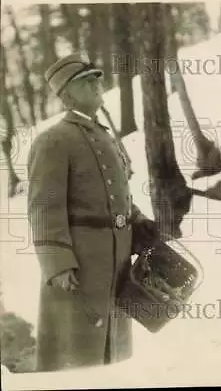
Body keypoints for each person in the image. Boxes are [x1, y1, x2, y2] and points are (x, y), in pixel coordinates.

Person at [27, 53, 158, 372]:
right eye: (85, 81)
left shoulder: (104, 135)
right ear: (66, 94)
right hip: (81, 262)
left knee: (113, 353)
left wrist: (137, 222)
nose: (97, 84)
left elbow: (114, 193)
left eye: (97, 78)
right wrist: (57, 264)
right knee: (78, 354)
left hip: (116, 257)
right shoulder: (54, 140)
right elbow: (44, 206)